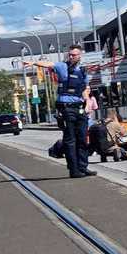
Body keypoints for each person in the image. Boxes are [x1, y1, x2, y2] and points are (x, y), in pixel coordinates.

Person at [47, 44, 96, 179]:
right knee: (70, 140)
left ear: (80, 56)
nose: (71, 56)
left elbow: (86, 88)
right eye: (70, 54)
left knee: (82, 139)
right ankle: (74, 170)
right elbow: (48, 64)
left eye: (74, 54)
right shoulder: (63, 67)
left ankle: (83, 167)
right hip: (66, 107)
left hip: (80, 107)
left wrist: (87, 102)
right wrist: (33, 62)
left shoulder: (83, 70)